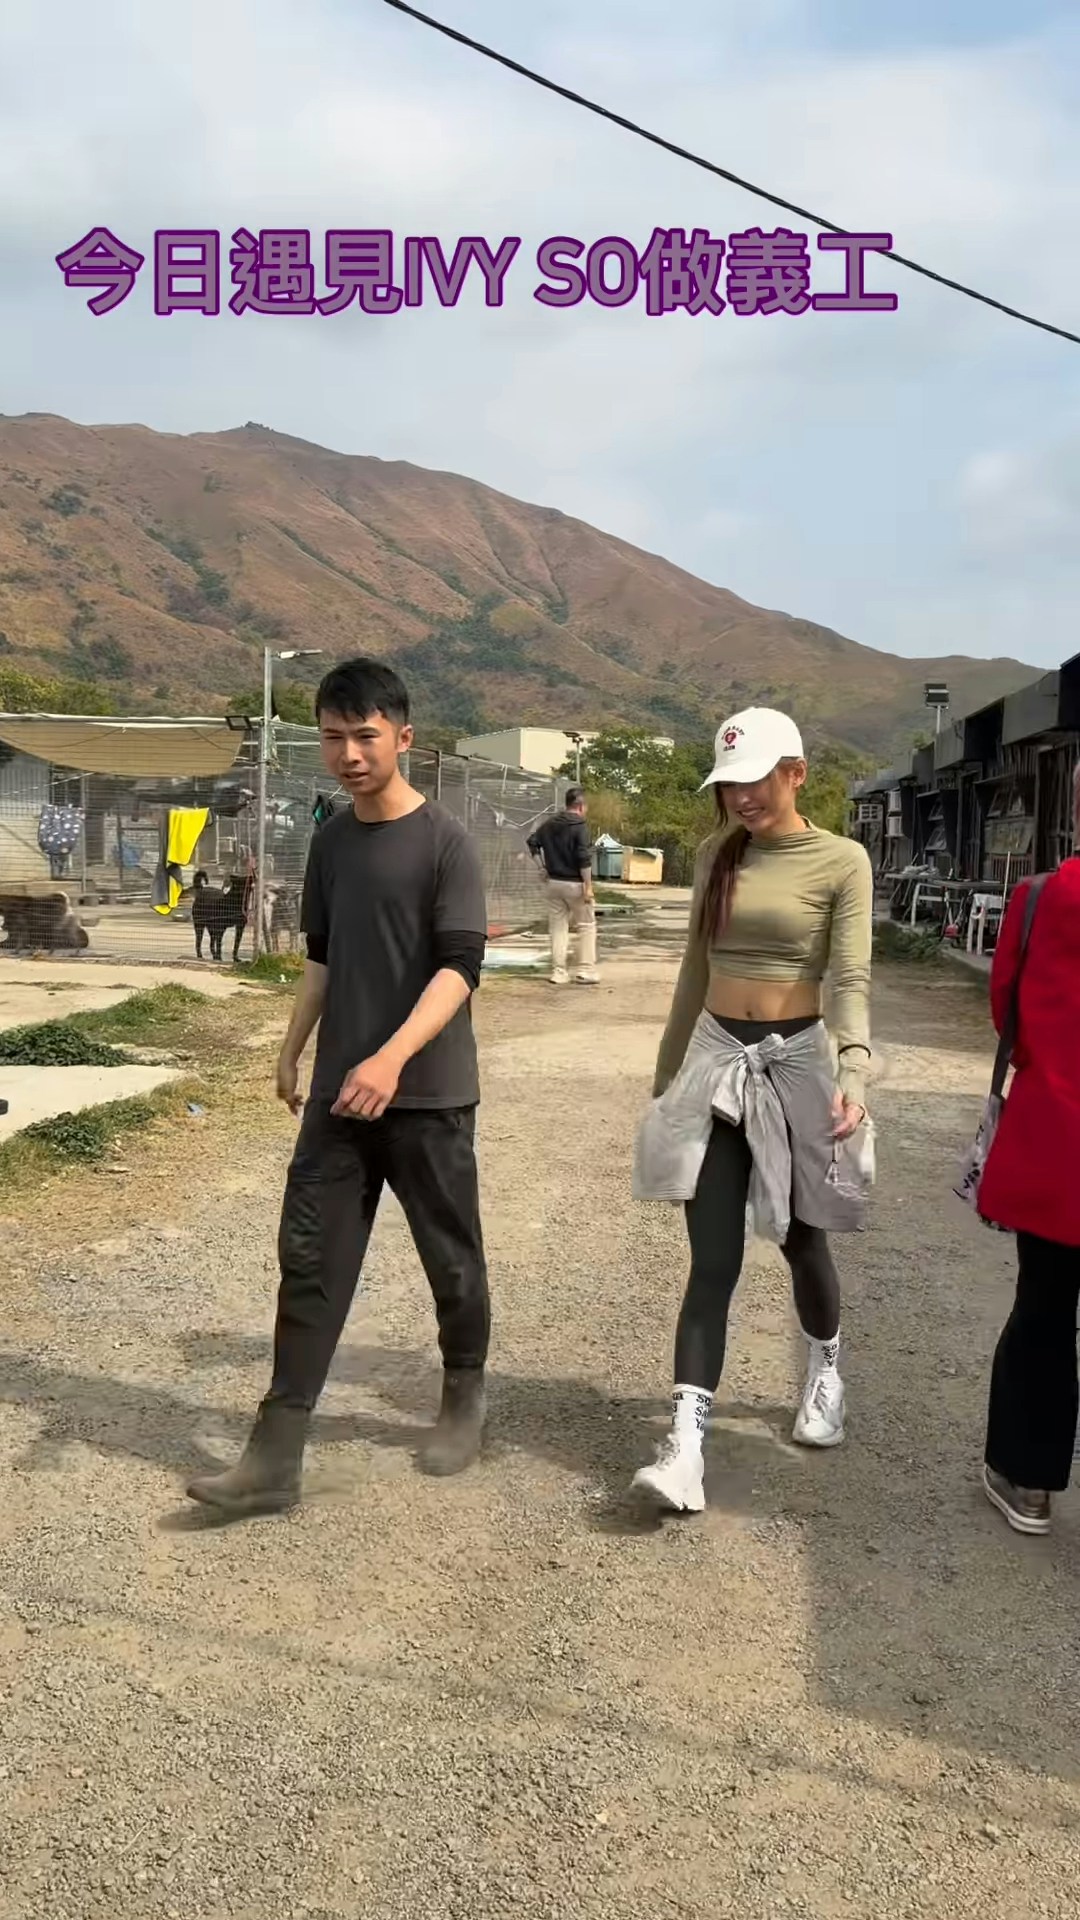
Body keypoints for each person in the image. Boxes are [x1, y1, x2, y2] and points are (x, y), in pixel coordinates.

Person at [187, 658, 491, 1516]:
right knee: (310, 1262)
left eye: (365, 736)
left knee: (450, 1258)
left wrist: (391, 1058)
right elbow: (320, 962)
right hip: (339, 1097)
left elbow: (460, 969)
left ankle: (463, 1396)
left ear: (404, 737)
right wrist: (293, 1050)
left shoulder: (447, 843)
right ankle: (274, 1457)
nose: (349, 754)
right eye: (333, 738)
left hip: (428, 1095)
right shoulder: (330, 842)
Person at [630, 707, 874, 1513]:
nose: (741, 797)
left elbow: (850, 978)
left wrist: (854, 1071)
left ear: (795, 774)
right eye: (729, 784)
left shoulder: (841, 860)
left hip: (796, 1064)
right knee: (712, 1260)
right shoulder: (717, 855)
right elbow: (693, 973)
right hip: (715, 1063)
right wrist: (668, 1081)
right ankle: (685, 1450)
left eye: (755, 780)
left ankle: (825, 1369)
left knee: (803, 1241)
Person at [979, 762, 1080, 1536]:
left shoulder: (1040, 897)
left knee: (1044, 1310)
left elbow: (1004, 1008)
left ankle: (1028, 1480)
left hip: (1056, 1141)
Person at [526, 786, 600, 986]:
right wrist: (588, 886)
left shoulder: (549, 824)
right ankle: (586, 970)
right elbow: (583, 858)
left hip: (554, 883)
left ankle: (559, 972)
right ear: (581, 806)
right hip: (575, 884)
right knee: (586, 925)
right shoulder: (580, 826)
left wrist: (541, 867)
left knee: (558, 928)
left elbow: (532, 842)